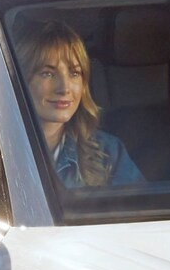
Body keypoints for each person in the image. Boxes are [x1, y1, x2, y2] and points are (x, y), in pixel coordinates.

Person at [14, 14, 141, 188]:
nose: (64, 88)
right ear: (20, 79)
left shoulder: (109, 153)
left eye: (74, 73)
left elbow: (146, 210)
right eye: (47, 73)